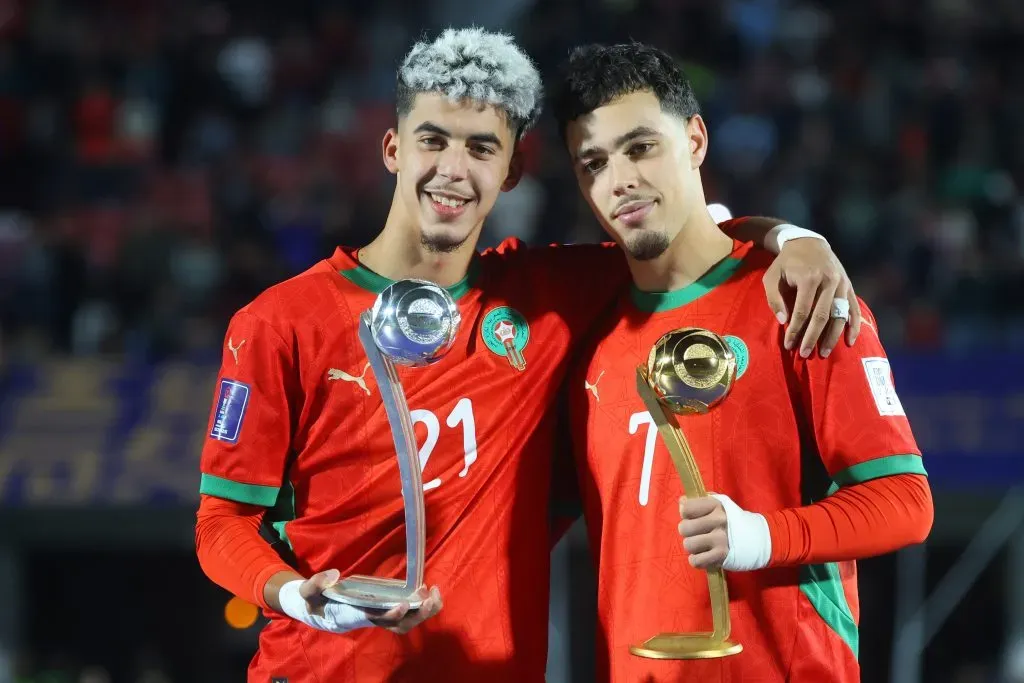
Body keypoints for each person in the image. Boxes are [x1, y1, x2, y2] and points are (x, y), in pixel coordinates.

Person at [195, 28, 859, 683]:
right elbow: (221, 521)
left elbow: (684, 237)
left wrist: (793, 238)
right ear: (393, 148)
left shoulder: (547, 300)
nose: (453, 169)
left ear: (511, 171)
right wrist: (289, 592)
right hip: (318, 669)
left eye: (481, 147)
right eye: (433, 139)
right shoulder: (280, 322)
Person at [556, 42, 935, 683]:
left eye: (641, 147)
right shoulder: (583, 328)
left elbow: (906, 500)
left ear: (696, 139)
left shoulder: (802, 297)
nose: (618, 180)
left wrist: (762, 537)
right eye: (593, 163)